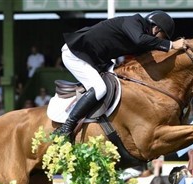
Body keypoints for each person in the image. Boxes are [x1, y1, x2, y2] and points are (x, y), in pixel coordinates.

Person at [55, 10, 186, 138]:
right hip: (76, 54)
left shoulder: (141, 35)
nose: (161, 41)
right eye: (163, 37)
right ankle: (67, 126)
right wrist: (171, 44)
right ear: (156, 29)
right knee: (100, 88)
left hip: (95, 59)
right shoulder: (133, 22)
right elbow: (140, 40)